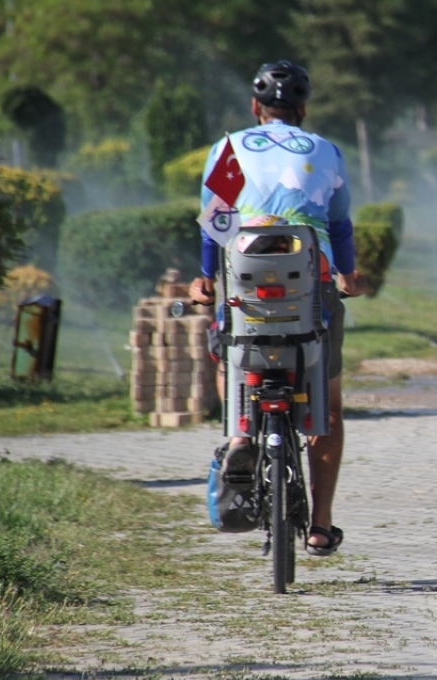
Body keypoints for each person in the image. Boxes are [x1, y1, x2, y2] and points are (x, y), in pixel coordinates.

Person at [189, 60, 365, 556]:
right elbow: (340, 222)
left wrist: (207, 278)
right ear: (303, 110)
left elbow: (215, 221)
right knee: (326, 401)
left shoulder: (226, 148)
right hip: (312, 282)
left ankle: (241, 434)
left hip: (243, 282)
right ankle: (321, 525)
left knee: (230, 347)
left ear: (255, 108)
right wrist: (347, 272)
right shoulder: (327, 151)